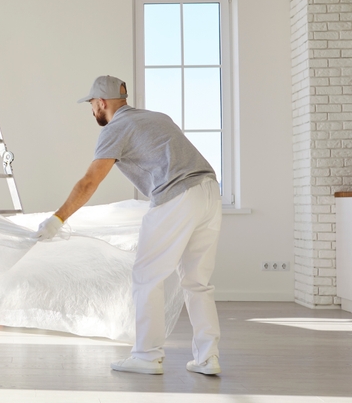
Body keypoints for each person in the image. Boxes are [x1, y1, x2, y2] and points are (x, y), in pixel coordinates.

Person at [35, 75, 222, 376]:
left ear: (102, 103)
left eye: (92, 104)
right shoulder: (156, 117)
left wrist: (58, 219)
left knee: (147, 277)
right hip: (210, 192)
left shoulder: (116, 128)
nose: (92, 110)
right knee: (197, 282)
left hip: (177, 196)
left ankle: (147, 356)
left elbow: (89, 181)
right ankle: (208, 356)